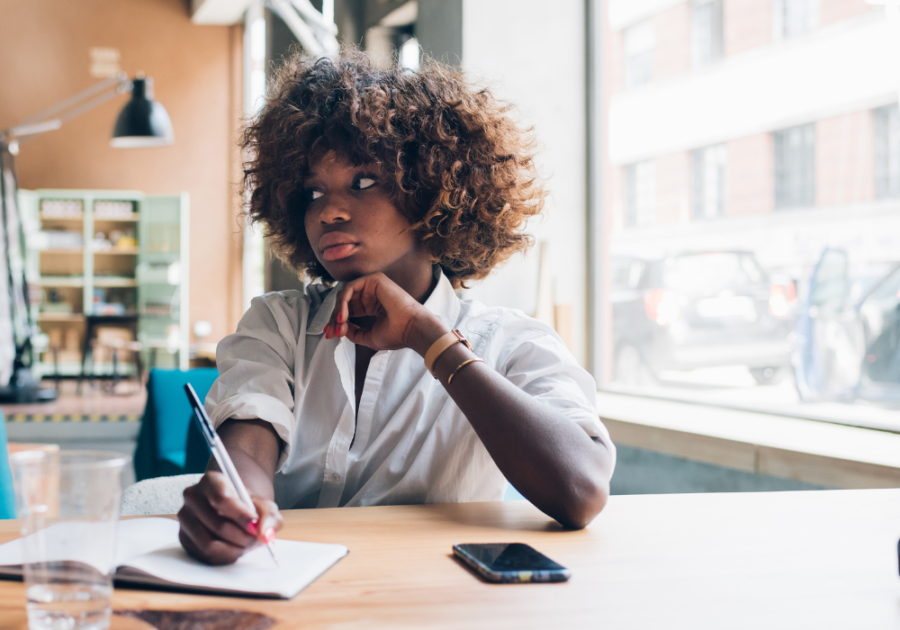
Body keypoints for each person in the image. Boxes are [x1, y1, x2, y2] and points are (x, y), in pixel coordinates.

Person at [177, 48, 616, 565]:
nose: (328, 211)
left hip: (431, 603)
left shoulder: (513, 343)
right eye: (312, 192)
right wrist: (239, 499)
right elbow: (247, 444)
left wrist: (434, 343)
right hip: (291, 593)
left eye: (363, 182)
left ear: (433, 191)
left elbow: (580, 490)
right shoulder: (280, 325)